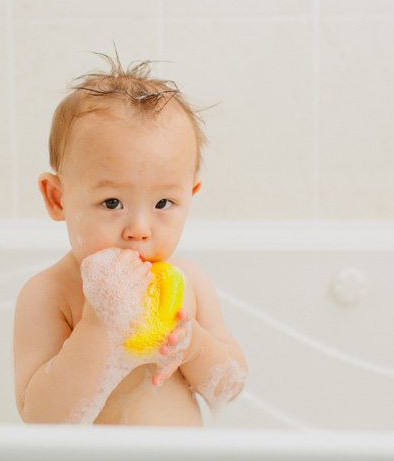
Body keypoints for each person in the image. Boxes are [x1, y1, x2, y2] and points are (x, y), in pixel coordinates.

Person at [13, 54, 248, 425]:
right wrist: (98, 327)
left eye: (163, 203)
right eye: (112, 202)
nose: (139, 228)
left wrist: (195, 347)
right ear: (58, 198)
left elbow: (228, 388)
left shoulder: (191, 283)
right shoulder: (49, 293)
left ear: (190, 195)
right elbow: (41, 418)